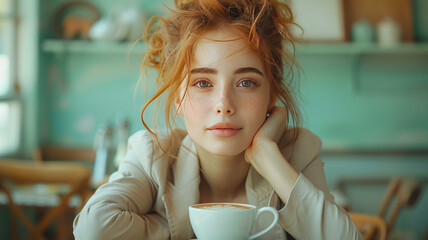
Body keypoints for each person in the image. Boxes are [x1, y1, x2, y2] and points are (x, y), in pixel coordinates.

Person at [73, 0, 362, 239]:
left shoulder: (296, 152)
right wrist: (187, 230)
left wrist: (266, 155)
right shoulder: (152, 156)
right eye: (202, 83)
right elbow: (93, 228)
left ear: (271, 95)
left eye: (246, 82)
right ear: (177, 97)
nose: (224, 105)